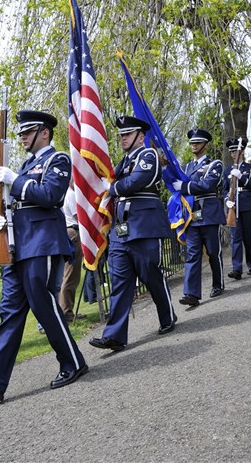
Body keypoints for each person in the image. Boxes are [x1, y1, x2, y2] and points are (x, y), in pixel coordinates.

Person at [0, 110, 88, 401]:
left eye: (28, 131)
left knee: (43, 303)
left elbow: (51, 195)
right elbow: (17, 204)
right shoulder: (26, 165)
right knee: (10, 311)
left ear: (45, 133)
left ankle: (73, 363)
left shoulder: (57, 159)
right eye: (21, 133)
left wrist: (16, 181)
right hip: (18, 245)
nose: (23, 137)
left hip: (43, 242)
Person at [89, 115, 177, 352]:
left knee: (150, 273)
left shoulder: (148, 155)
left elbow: (138, 181)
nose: (123, 139)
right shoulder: (122, 162)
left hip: (144, 226)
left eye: (127, 134)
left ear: (140, 136)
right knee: (119, 282)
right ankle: (114, 335)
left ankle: (167, 315)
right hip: (122, 229)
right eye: (121, 135)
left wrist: (112, 188)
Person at [172, 128, 225, 306]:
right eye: (192, 143)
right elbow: (177, 181)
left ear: (205, 144)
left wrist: (185, 187)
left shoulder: (214, 164)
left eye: (198, 142)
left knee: (212, 252)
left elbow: (208, 185)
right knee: (192, 254)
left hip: (209, 214)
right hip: (191, 216)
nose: (194, 145)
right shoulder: (186, 167)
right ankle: (191, 294)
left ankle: (218, 284)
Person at [222, 138, 251, 279]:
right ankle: (236, 268)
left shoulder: (250, 168)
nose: (233, 154)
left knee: (248, 237)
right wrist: (227, 201)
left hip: (248, 205)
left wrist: (240, 178)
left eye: (236, 151)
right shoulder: (227, 171)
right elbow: (225, 190)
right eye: (231, 151)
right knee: (235, 238)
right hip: (234, 205)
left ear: (242, 151)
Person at [58, 180, 86, 322]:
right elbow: (79, 216)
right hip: (73, 232)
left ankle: (68, 310)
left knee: (72, 276)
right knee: (70, 275)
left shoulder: (69, 194)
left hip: (72, 232)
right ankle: (66, 312)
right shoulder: (71, 195)